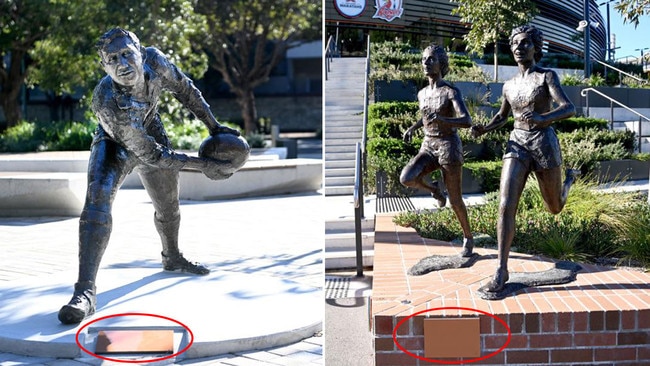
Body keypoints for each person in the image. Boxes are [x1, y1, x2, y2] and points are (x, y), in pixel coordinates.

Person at [58, 28, 241, 324]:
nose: (122, 64)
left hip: (150, 128)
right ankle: (85, 291)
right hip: (113, 143)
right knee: (97, 199)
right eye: (112, 59)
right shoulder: (108, 100)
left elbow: (185, 89)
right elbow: (153, 156)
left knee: (168, 204)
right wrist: (205, 165)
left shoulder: (156, 62)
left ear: (141, 52)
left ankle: (172, 257)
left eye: (127, 54)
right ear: (104, 67)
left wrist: (214, 126)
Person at [471, 25, 578, 293]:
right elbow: (502, 116)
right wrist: (484, 128)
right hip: (517, 143)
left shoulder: (546, 77)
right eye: (515, 43)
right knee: (505, 204)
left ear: (535, 47)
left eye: (525, 43)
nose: (519, 47)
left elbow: (569, 108)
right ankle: (501, 269)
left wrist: (543, 118)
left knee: (554, 207)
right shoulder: (509, 85)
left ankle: (568, 183)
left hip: (544, 144)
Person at [400, 44, 474, 257]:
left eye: (431, 59)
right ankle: (434, 190)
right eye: (424, 59)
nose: (426, 63)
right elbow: (425, 117)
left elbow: (467, 121)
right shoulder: (422, 93)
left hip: (448, 146)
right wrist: (413, 127)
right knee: (406, 177)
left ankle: (468, 237)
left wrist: (443, 120)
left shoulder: (450, 91)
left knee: (455, 198)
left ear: (441, 63)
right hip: (428, 144)